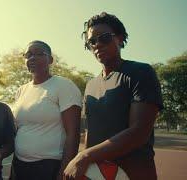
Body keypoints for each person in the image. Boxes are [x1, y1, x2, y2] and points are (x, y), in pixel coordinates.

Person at [63, 12, 163, 180]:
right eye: (92, 41)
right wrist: (87, 164)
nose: (97, 45)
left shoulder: (141, 72)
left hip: (135, 173)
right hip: (98, 174)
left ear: (120, 38)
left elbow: (139, 132)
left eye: (104, 38)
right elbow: (90, 132)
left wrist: (84, 156)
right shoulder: (90, 86)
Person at [10, 40, 82, 180]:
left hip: (49, 166)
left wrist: (64, 170)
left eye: (39, 54)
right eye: (28, 54)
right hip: (19, 165)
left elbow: (73, 134)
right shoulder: (21, 90)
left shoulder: (63, 85)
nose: (32, 58)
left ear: (50, 60)